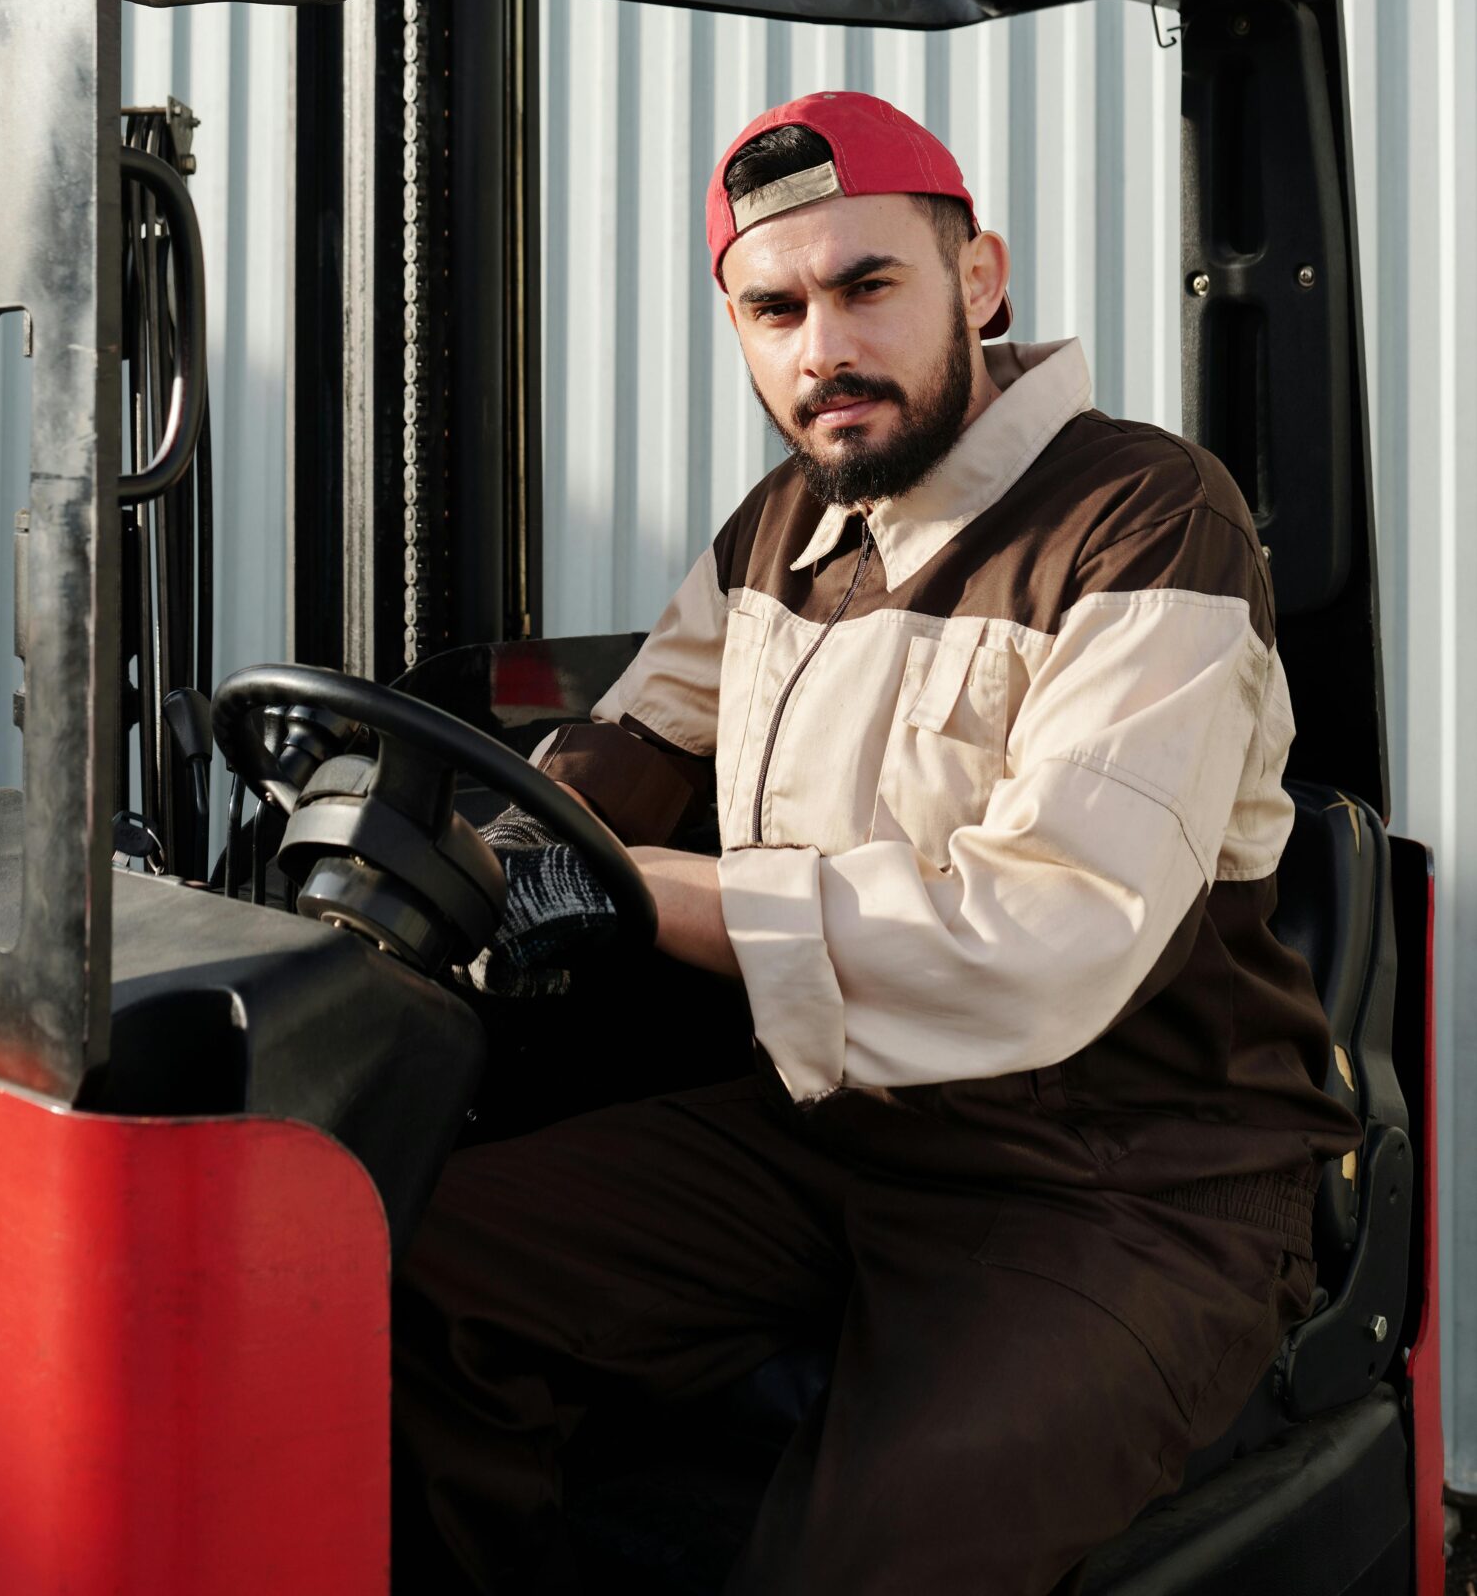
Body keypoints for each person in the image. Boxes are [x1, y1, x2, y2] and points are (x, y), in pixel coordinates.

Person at [392, 91, 1356, 1596]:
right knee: (391, 1280)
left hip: (1123, 1179)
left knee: (867, 1562)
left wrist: (643, 891)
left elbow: (1047, 931)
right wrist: (462, 852)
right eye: (774, 310)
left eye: (865, 288)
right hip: (834, 1128)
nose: (820, 349)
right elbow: (641, 741)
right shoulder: (783, 526)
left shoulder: (1149, 523)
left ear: (978, 280)